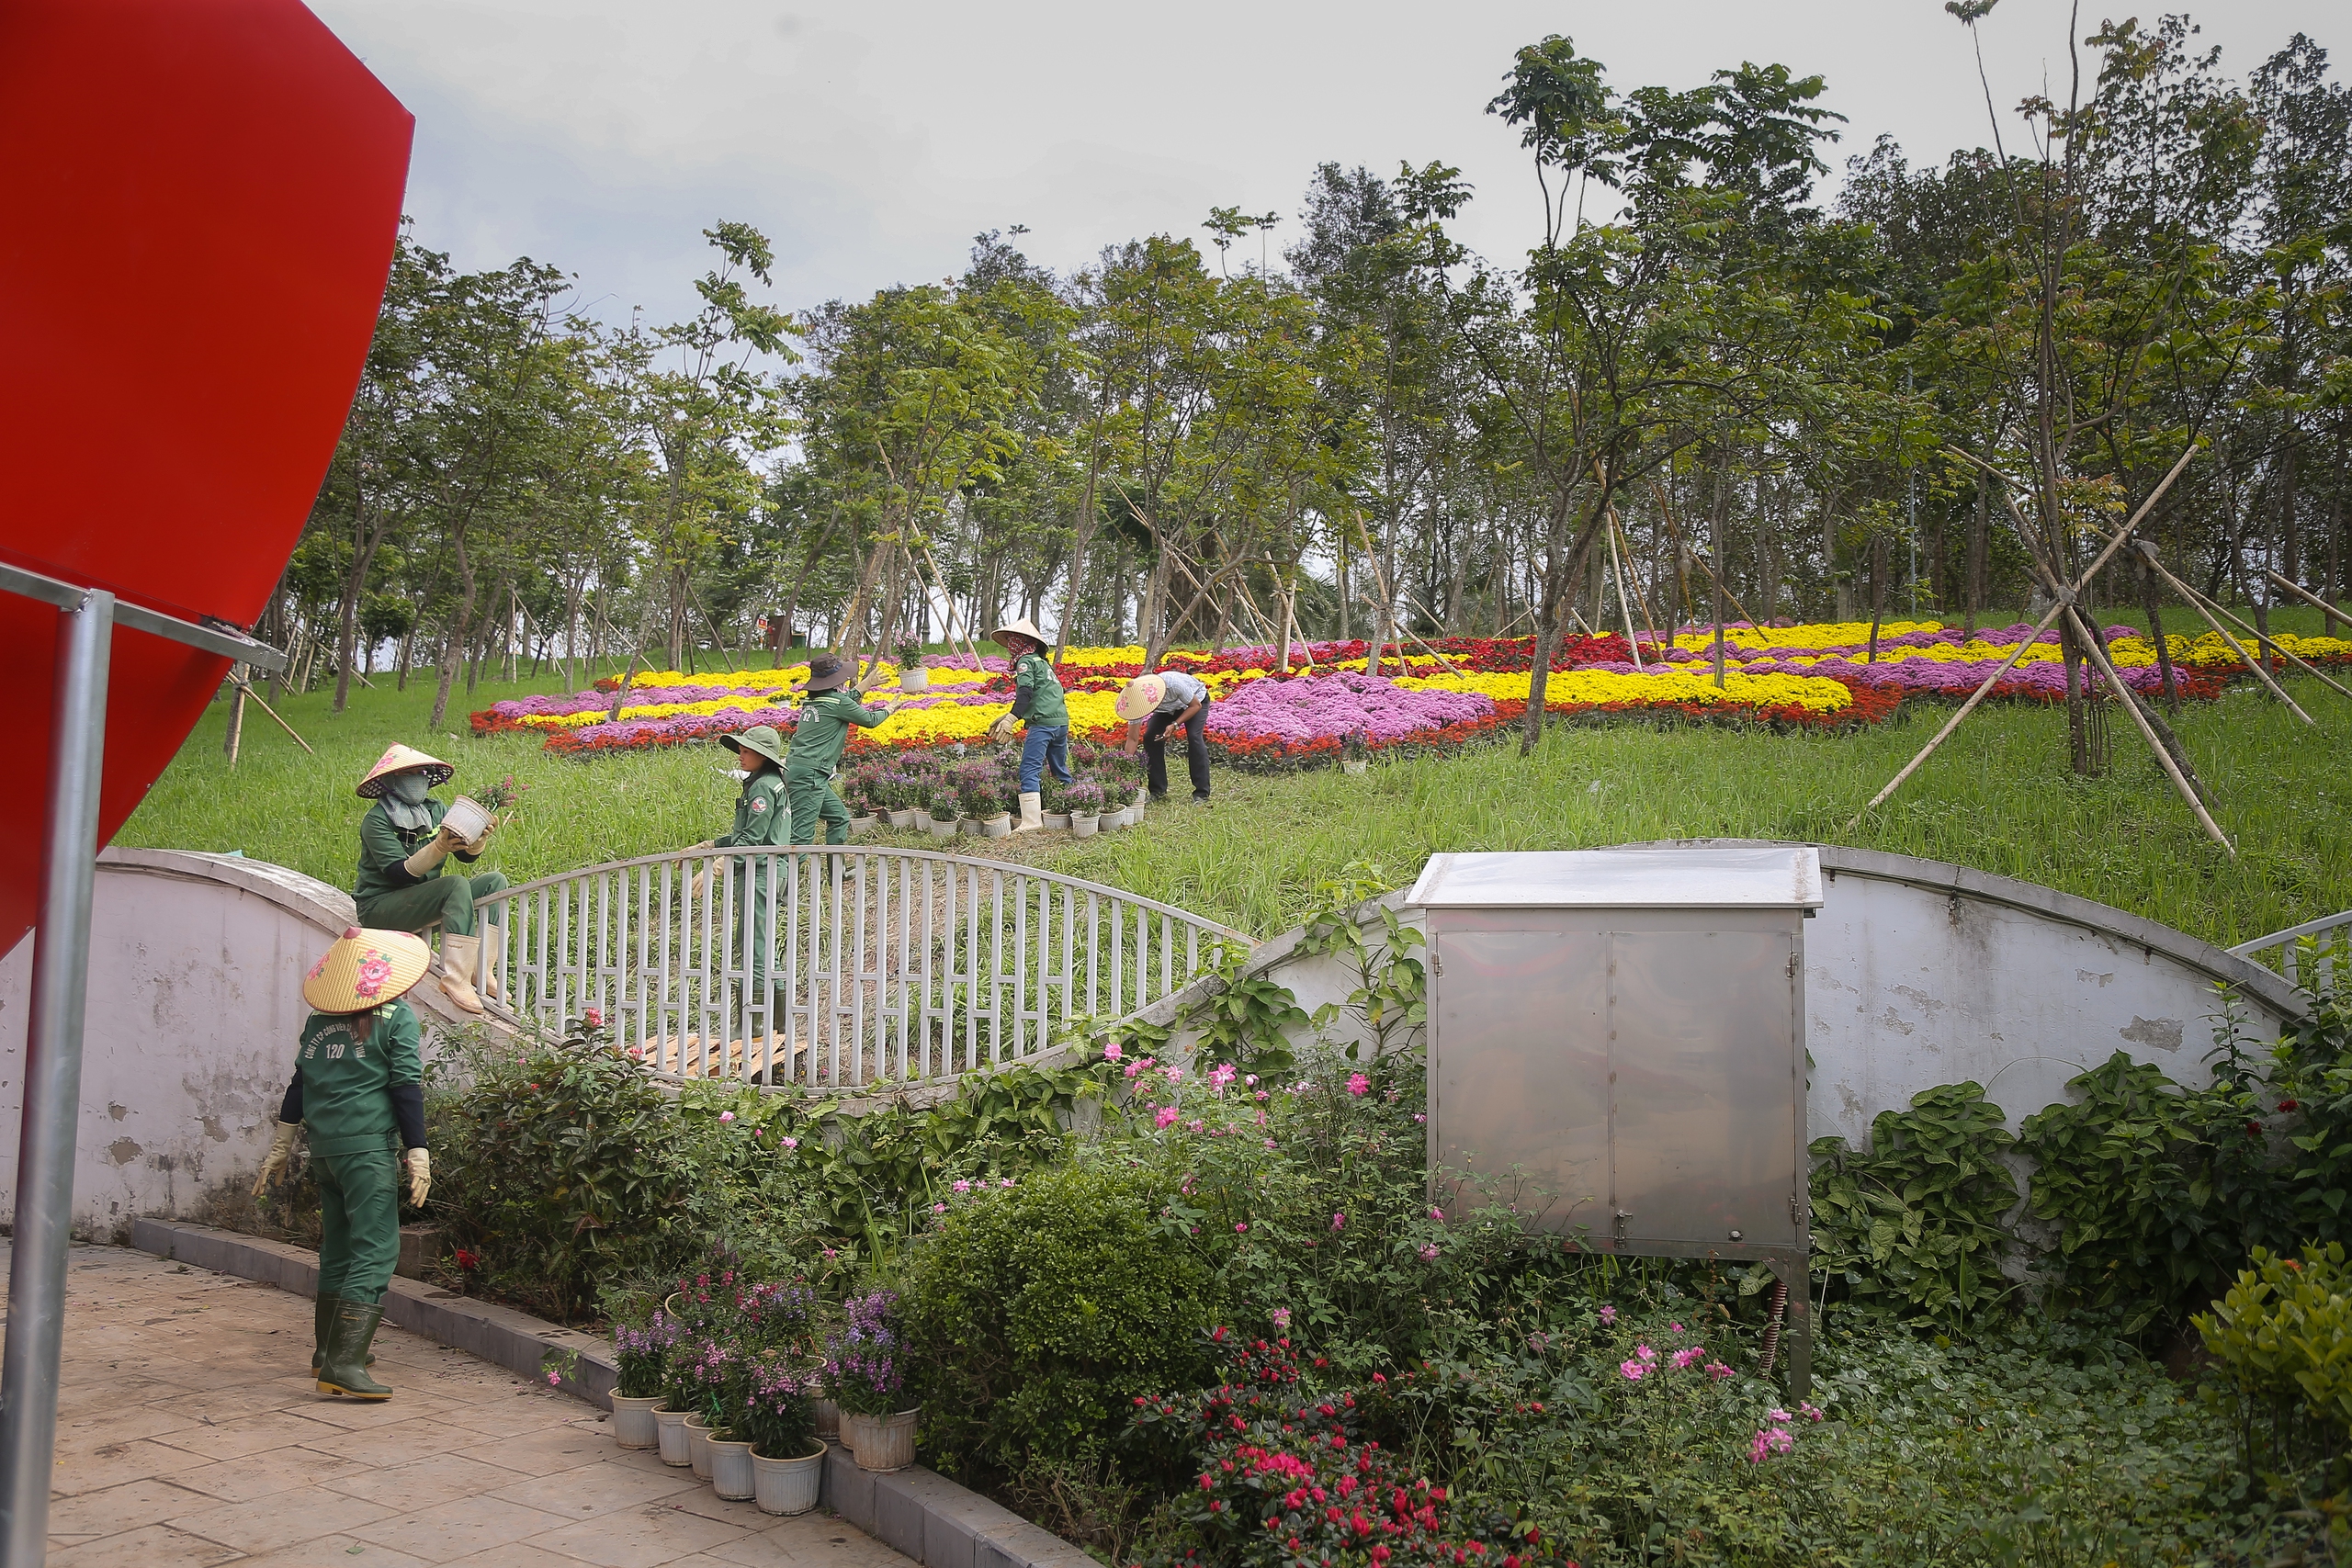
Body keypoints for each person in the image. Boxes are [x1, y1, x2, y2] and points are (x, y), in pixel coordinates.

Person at [252, 925, 435, 1401]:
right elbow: (405, 1088)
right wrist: (418, 1151)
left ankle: (327, 1350)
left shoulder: (318, 1023)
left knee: (337, 1249)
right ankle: (345, 1364)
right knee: (375, 1250)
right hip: (367, 1152)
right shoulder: (397, 1018)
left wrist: (282, 1145)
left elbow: (299, 1084)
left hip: (326, 1151)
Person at [351, 744, 505, 1014]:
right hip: (381, 908)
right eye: (410, 774)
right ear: (390, 781)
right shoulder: (376, 820)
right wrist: (438, 848)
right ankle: (456, 978)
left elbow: (465, 857)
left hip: (420, 900)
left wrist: (477, 840)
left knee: (495, 881)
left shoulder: (436, 810)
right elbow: (398, 873)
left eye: (423, 772)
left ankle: (482, 969)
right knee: (454, 884)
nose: (419, 779)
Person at [685, 724, 793, 1026]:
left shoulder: (761, 788)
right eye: (741, 750)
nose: (741, 756)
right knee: (765, 943)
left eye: (747, 751)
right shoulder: (771, 782)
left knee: (753, 945)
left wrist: (716, 868)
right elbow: (746, 834)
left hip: (760, 872)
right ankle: (779, 1021)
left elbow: (751, 841)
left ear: (763, 756)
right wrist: (708, 846)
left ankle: (753, 1022)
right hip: (774, 870)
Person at [786, 655, 893, 846]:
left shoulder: (815, 701)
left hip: (801, 770)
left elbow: (842, 700)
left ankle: (838, 874)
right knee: (801, 836)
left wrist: (866, 684)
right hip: (811, 775)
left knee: (839, 817)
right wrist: (890, 708)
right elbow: (870, 720)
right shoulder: (837, 703)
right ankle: (782, 875)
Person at [988, 617, 1070, 833]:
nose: (1010, 645)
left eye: (1013, 640)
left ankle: (1032, 822)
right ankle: (1073, 807)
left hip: (1042, 725)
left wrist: (1012, 719)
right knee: (1059, 769)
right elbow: (1043, 696)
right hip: (1060, 722)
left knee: (1029, 770)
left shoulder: (1025, 662)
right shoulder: (1043, 663)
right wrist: (1011, 714)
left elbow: (1026, 693)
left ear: (1022, 642)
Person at [1115, 670, 1212, 804]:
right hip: (1167, 710)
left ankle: (1202, 793)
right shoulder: (1135, 705)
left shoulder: (1172, 683)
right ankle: (1158, 792)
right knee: (1150, 738)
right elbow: (1132, 739)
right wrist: (1125, 765)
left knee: (1194, 737)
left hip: (1195, 701)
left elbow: (1196, 705)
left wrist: (1174, 725)